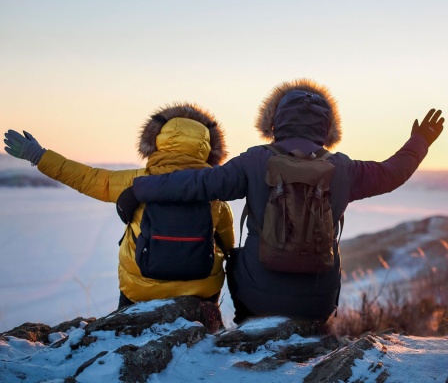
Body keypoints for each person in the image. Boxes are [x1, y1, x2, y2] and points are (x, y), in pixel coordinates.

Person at [116, 78, 444, 325]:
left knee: (235, 254)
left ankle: (247, 327)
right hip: (319, 301)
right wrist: (419, 142)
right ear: (327, 128)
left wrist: (140, 189)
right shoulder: (344, 168)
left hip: (258, 295)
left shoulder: (255, 161)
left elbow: (196, 184)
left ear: (275, 124)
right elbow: (392, 173)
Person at [3, 103, 235, 309]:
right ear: (208, 149)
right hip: (202, 288)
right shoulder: (212, 189)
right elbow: (227, 241)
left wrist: (37, 155)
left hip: (140, 288)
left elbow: (86, 177)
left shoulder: (135, 181)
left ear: (156, 142)